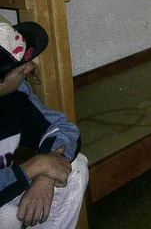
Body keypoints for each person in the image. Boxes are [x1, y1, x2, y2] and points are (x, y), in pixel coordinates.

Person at [0, 21, 88, 228]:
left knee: (75, 168)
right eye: (22, 67)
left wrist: (45, 174)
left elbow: (62, 127)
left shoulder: (17, 91)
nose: (29, 68)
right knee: (7, 217)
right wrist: (36, 166)